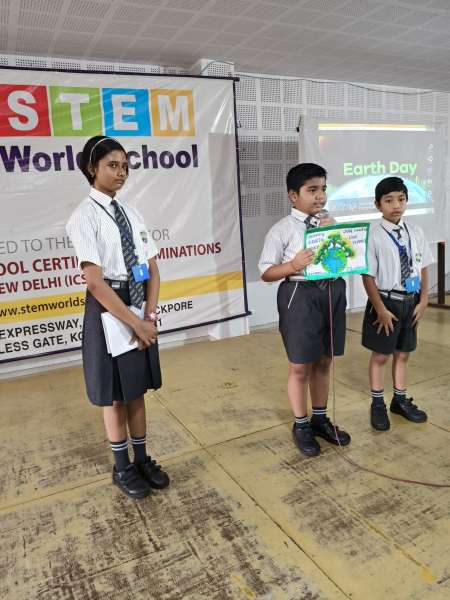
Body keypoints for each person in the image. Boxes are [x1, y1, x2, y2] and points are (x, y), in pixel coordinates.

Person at [66, 135, 169, 498]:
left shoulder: (131, 213)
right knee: (115, 395)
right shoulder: (84, 217)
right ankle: (122, 467)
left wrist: (149, 315)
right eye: (112, 165)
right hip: (110, 307)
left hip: (139, 302)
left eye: (125, 166)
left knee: (136, 390)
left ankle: (141, 459)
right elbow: (95, 282)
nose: (121, 172)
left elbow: (152, 269)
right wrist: (135, 322)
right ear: (92, 168)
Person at [258, 163, 351, 458]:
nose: (320, 196)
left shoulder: (330, 221)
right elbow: (266, 273)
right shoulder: (282, 229)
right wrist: (293, 265)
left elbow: (345, 257)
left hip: (332, 291)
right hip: (299, 294)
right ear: (293, 196)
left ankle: (319, 419)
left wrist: (335, 234)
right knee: (300, 365)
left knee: (324, 360)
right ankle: (300, 425)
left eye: (323, 189)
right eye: (312, 190)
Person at [362, 176, 433, 431]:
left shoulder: (416, 231)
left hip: (410, 301)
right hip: (386, 303)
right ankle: (377, 403)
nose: (396, 205)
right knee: (381, 355)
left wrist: (423, 300)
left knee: (403, 353)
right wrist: (380, 309)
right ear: (377, 204)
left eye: (401, 199)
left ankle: (400, 401)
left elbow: (423, 267)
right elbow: (368, 276)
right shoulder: (373, 234)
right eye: (389, 200)